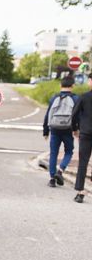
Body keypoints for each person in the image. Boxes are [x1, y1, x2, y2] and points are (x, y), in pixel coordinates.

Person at [43, 75, 78, 187]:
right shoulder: (75, 98)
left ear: (60, 85)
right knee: (69, 151)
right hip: (68, 129)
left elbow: (48, 114)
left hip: (55, 129)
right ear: (72, 86)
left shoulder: (54, 98)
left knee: (53, 153)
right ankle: (60, 170)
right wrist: (76, 129)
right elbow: (78, 116)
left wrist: (45, 131)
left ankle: (52, 179)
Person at [72, 73, 92, 203]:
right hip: (86, 133)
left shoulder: (84, 97)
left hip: (86, 133)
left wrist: (75, 129)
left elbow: (74, 114)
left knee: (83, 162)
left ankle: (80, 191)